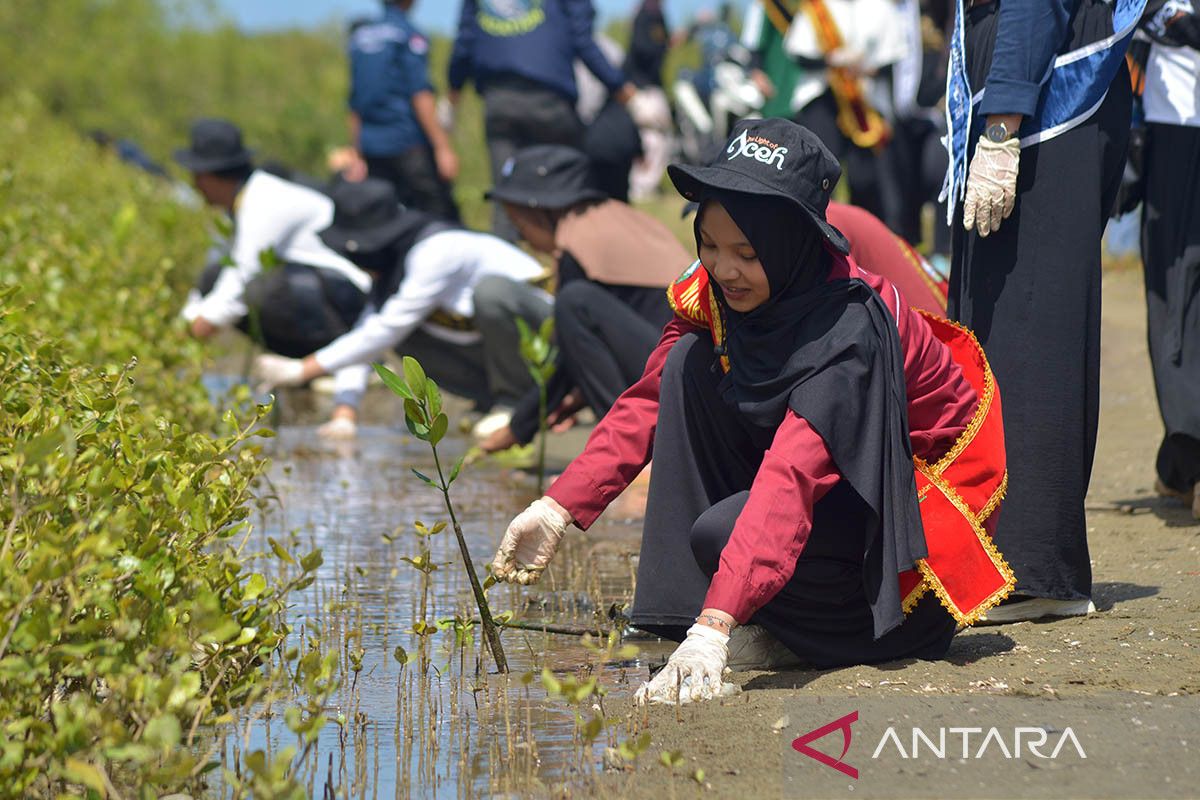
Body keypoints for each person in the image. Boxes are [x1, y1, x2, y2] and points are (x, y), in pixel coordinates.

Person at [490, 119, 1012, 704]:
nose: (723, 267)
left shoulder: (849, 331)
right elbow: (647, 400)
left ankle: (771, 627)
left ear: (793, 242)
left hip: (905, 564)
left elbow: (793, 474)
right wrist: (558, 507)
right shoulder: (722, 293)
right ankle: (682, 608)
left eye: (746, 252)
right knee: (689, 362)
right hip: (841, 502)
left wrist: (715, 628)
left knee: (723, 532)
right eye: (709, 245)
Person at [942, 0, 1140, 623]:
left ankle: (1032, 567)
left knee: (1026, 327)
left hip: (1042, 96)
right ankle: (1006, 552)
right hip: (1024, 79)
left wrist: (1001, 127)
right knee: (998, 325)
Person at [251, 179, 552, 438]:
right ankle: (492, 400)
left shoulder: (438, 251)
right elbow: (366, 337)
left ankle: (516, 403)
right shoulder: (393, 272)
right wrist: (345, 413)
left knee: (491, 294)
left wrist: (302, 369)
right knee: (407, 338)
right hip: (498, 350)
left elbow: (385, 330)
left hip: (550, 344)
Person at [476, 145, 691, 453]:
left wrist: (516, 428)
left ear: (540, 212)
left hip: (677, 373)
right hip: (675, 362)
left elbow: (569, 356)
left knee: (573, 303)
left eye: (520, 224)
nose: (523, 238)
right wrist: (575, 399)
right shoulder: (614, 217)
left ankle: (628, 451)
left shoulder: (577, 247)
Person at [175, 118, 371, 359]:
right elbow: (214, 272)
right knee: (214, 276)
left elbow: (240, 280)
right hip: (317, 294)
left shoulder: (264, 201)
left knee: (257, 291)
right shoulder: (236, 206)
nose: (194, 185)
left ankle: (325, 357)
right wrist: (183, 323)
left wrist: (183, 341)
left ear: (206, 176)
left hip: (347, 301)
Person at [447, 0, 636, 240]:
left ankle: (509, 264)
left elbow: (464, 44)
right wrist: (624, 91)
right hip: (550, 104)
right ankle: (578, 261)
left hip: (499, 103)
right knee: (569, 190)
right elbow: (584, 41)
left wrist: (453, 94)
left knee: (507, 197)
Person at [1138, 0, 1200, 517]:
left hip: (1179, 119)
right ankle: (1180, 463)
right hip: (1176, 117)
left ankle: (1188, 460)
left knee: (1176, 291)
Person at [783, 0, 910, 224]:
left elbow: (891, 60)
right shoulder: (816, 7)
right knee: (817, 171)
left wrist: (863, 68)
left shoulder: (882, 8)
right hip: (822, 98)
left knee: (866, 180)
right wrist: (833, 61)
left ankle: (865, 236)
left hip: (867, 105)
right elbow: (798, 53)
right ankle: (812, 230)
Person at [346, 0, 460, 221]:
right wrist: (442, 147)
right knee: (440, 218)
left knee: (387, 222)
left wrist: (356, 152)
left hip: (372, 148)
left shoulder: (359, 39)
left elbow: (356, 100)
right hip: (408, 143)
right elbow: (420, 94)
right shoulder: (408, 35)